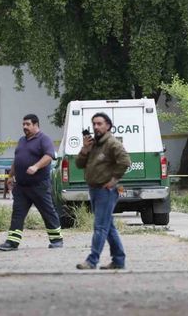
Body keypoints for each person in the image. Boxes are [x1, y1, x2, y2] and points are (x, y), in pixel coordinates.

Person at [0, 114, 63, 251]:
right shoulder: (22, 141)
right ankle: (12, 242)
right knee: (17, 214)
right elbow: (17, 159)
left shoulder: (44, 139)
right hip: (21, 187)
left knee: (48, 212)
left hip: (39, 186)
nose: (24, 127)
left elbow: (49, 156)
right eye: (23, 124)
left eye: (27, 124)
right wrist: (10, 177)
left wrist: (36, 166)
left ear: (36, 124)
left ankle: (56, 240)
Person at [75, 112, 131, 270]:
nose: (96, 127)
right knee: (109, 227)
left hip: (106, 191)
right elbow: (79, 164)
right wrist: (85, 149)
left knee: (100, 227)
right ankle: (119, 260)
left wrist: (114, 180)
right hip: (94, 190)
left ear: (108, 126)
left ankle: (92, 261)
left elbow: (125, 162)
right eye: (94, 124)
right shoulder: (94, 144)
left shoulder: (112, 143)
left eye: (99, 124)